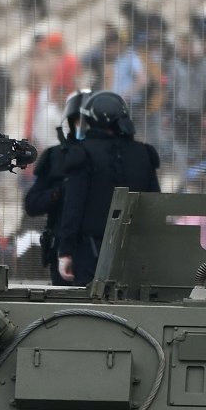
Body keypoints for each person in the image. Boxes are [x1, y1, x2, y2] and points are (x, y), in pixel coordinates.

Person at [53, 91, 160, 283]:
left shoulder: (82, 153)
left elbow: (74, 206)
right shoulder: (144, 154)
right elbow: (154, 204)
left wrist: (65, 250)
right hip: (135, 252)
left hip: (90, 253)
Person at [20, 90, 88, 283]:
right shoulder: (55, 157)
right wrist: (60, 193)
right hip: (62, 249)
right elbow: (32, 204)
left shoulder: (110, 158)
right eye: (79, 120)